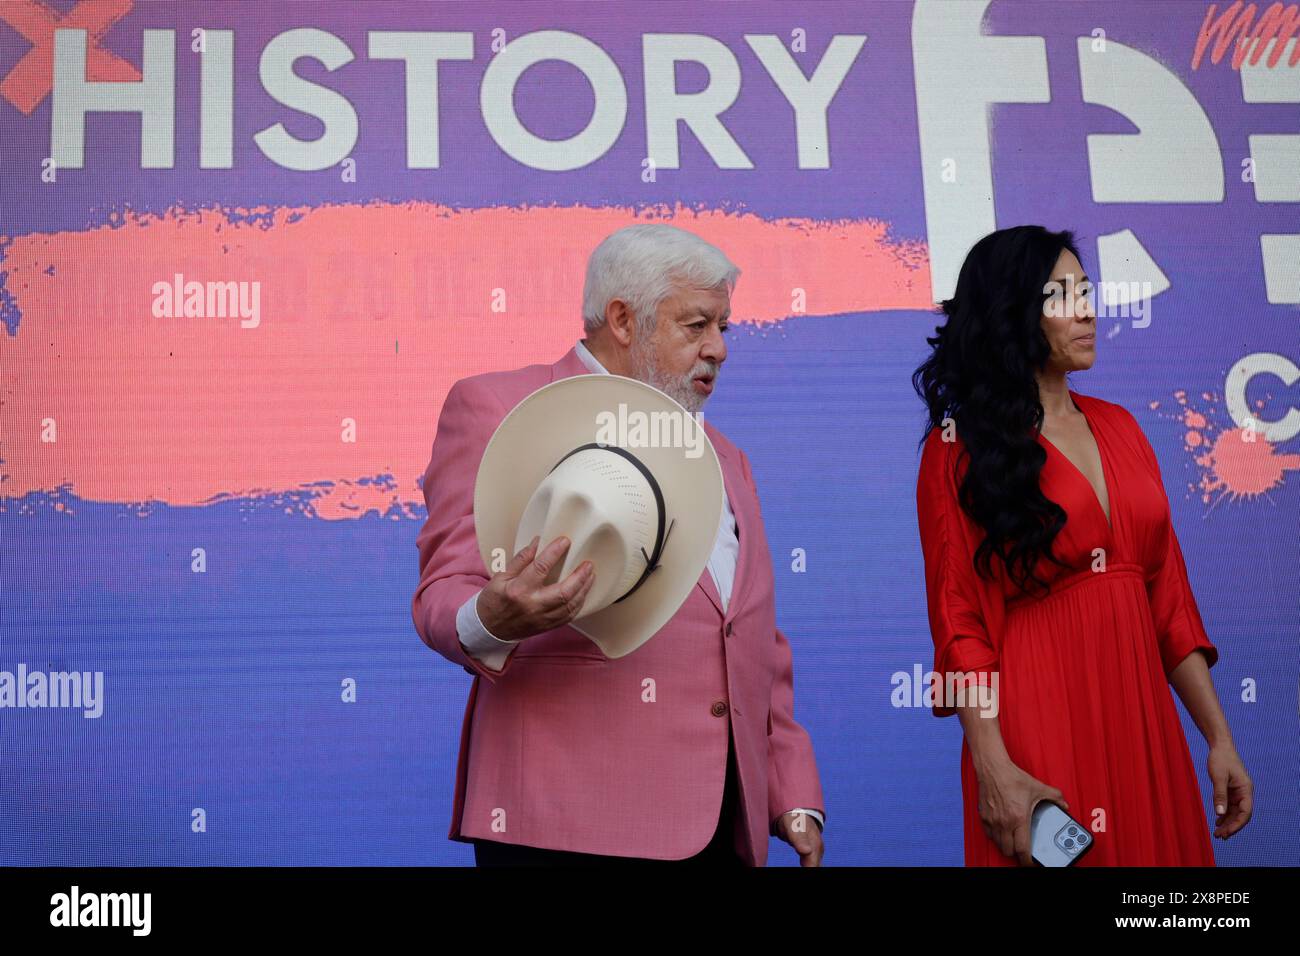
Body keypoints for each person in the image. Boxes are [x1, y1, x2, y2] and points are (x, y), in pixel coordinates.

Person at [412, 223, 825, 866]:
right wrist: (490, 618)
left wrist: (788, 791)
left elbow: (751, 636)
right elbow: (446, 591)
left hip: (719, 828)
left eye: (724, 326)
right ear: (624, 320)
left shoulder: (729, 460)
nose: (719, 348)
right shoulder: (498, 408)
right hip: (565, 827)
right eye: (697, 326)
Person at [912, 225, 1253, 865]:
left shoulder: (1122, 427)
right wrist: (992, 766)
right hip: (1037, 723)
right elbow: (959, 620)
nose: (1087, 309)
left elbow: (1170, 603)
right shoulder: (959, 447)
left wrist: (1218, 738)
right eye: (1059, 294)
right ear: (1013, 311)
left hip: (1145, 723)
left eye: (1086, 290)